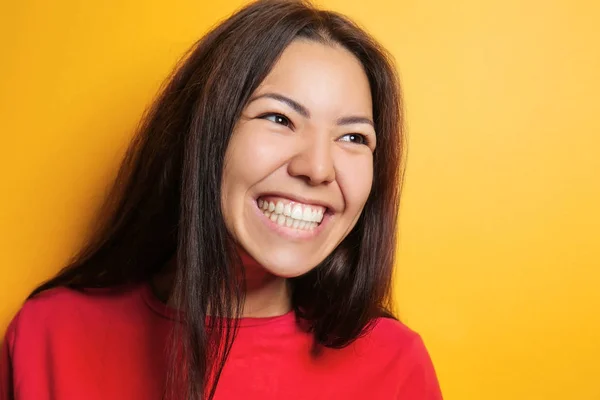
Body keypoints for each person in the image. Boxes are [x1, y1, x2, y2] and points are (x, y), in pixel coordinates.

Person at [0, 0, 442, 399]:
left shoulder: (396, 366)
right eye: (279, 117)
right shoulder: (47, 337)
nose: (319, 168)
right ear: (202, 133)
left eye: (352, 136)